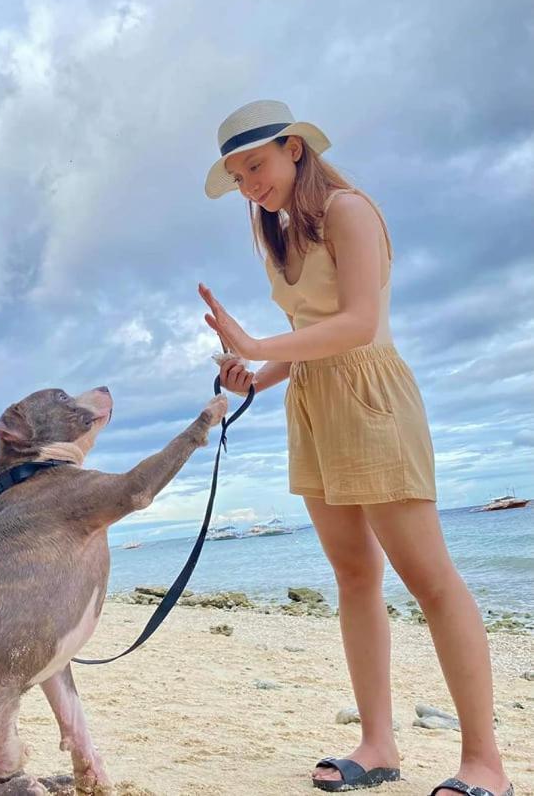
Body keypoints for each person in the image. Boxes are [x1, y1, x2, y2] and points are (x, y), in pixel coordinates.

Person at [198, 100, 513, 796]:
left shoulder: (348, 209)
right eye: (236, 174)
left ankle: (484, 763)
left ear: (294, 149)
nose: (248, 184)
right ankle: (376, 745)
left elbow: (359, 322)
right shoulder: (268, 226)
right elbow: (309, 331)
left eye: (256, 165)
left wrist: (256, 343)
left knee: (430, 579)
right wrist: (255, 371)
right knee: (352, 576)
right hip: (309, 400)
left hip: (370, 395)